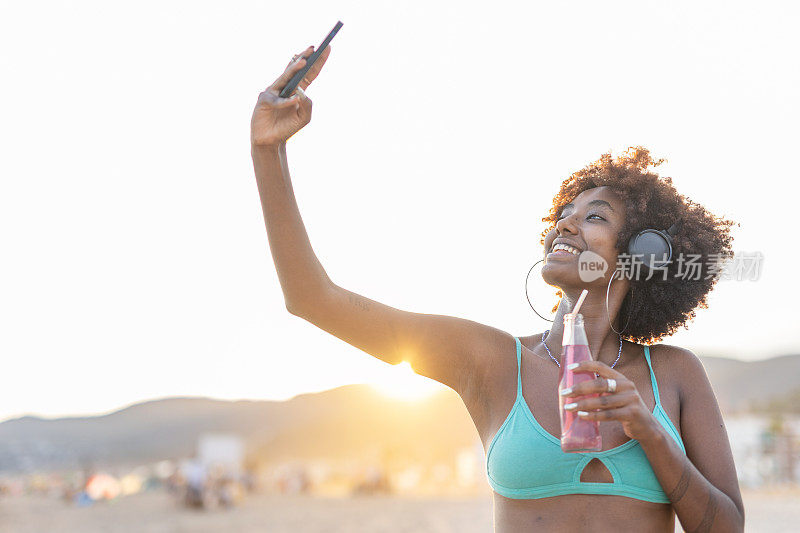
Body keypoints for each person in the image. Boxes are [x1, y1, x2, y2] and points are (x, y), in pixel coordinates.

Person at [250, 45, 744, 532]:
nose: (566, 226)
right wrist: (268, 151)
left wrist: (649, 431)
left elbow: (727, 528)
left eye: (594, 217)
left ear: (642, 254)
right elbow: (312, 298)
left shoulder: (675, 376)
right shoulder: (490, 361)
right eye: (563, 215)